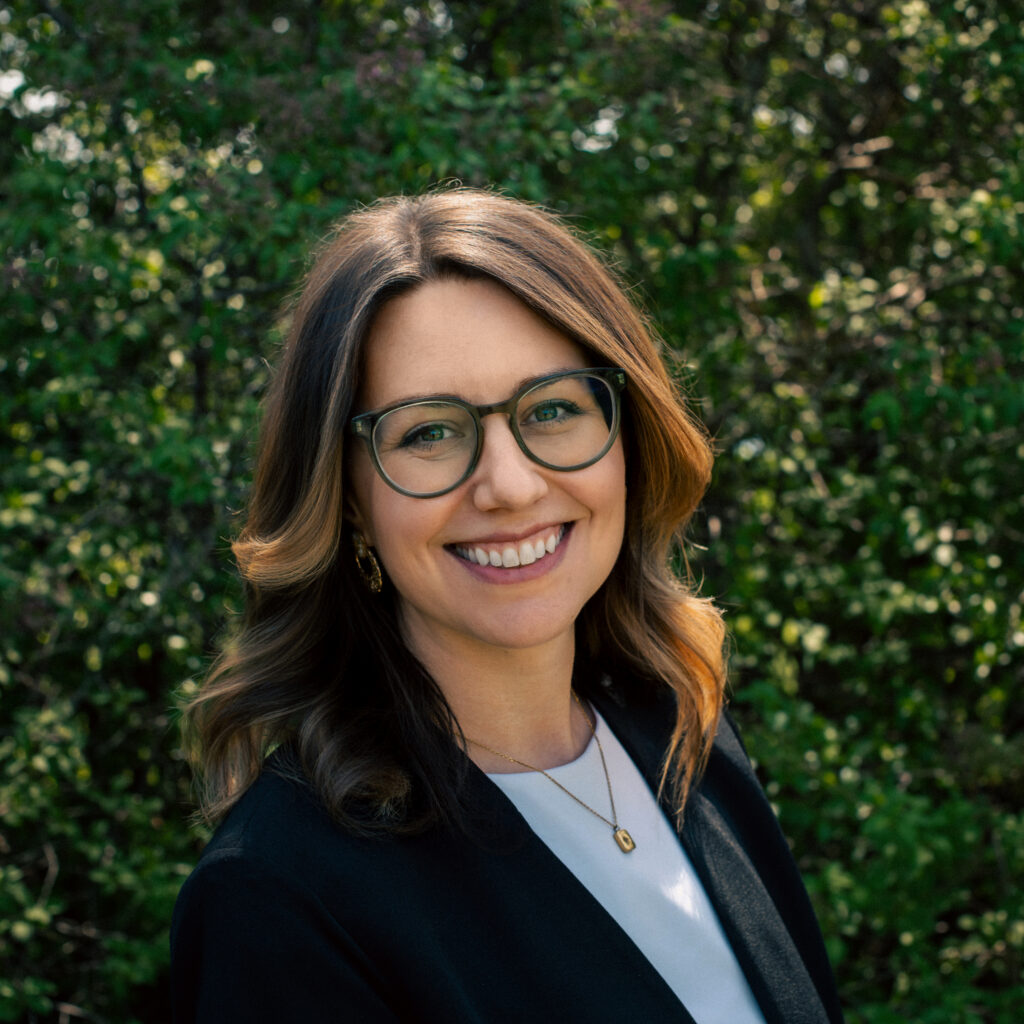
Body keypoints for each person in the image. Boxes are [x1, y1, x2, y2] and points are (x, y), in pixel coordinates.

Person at [170, 188, 843, 1024]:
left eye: (553, 408)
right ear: (344, 497)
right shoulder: (281, 896)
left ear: (626, 436)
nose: (512, 486)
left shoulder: (681, 733)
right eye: (428, 432)